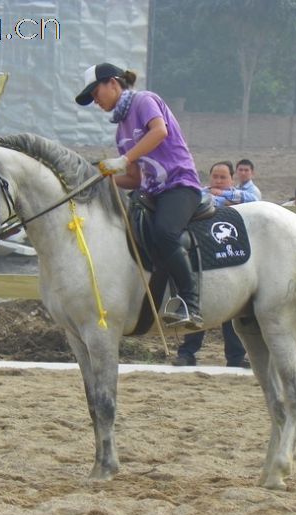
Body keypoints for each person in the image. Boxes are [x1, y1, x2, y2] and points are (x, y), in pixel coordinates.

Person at [76, 62, 205, 329]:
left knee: (165, 233)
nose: (95, 101)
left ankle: (190, 303)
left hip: (179, 184)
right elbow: (134, 178)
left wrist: (122, 160)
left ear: (113, 83)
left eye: (95, 93)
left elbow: (160, 132)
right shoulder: (120, 129)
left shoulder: (144, 100)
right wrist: (102, 179)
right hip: (151, 192)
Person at [173, 161, 253, 368]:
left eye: (223, 177)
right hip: (204, 248)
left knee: (232, 304)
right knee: (201, 299)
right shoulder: (200, 193)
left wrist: (221, 197)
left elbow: (255, 201)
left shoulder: (243, 196)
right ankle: (187, 352)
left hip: (231, 252)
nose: (218, 181)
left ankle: (236, 356)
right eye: (215, 177)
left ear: (231, 179)